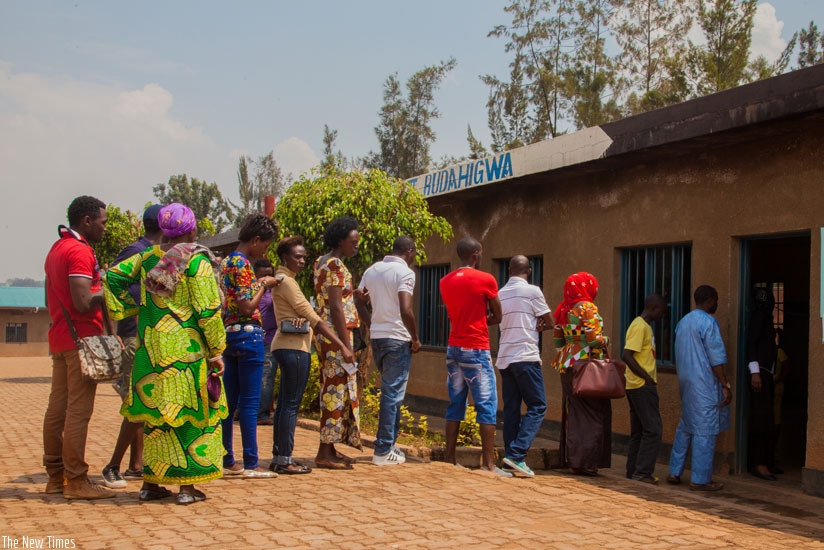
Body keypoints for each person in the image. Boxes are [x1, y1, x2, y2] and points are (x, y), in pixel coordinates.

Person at [104, 203, 229, 504]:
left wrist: (134, 308)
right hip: (187, 352)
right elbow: (208, 311)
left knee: (157, 417)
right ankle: (187, 488)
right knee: (191, 416)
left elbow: (112, 277)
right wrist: (216, 351)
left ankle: (150, 484)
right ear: (190, 229)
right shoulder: (195, 261)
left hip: (151, 348)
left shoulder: (146, 259)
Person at [43, 195, 115, 499]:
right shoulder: (79, 252)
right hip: (81, 341)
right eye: (103, 222)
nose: (105, 228)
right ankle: (76, 479)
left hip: (60, 337)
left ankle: (54, 475)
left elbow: (50, 299)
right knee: (78, 412)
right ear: (86, 221)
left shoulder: (56, 249)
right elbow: (83, 301)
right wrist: (104, 288)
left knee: (57, 409)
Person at [268, 236, 355, 474]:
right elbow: (315, 319)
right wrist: (343, 346)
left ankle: (280, 456)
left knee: (285, 404)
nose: (303, 261)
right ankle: (285, 459)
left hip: (287, 346)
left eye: (304, 256)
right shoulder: (287, 282)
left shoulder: (284, 280)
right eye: (298, 256)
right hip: (293, 348)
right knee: (290, 406)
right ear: (285, 257)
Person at [99, 204, 164, 489]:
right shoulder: (138, 252)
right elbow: (110, 281)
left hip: (155, 339)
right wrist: (129, 313)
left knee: (146, 405)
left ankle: (138, 465)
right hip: (134, 337)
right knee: (136, 404)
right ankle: (113, 465)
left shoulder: (165, 256)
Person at [439, 237, 507, 476]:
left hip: (453, 347)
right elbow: (498, 315)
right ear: (476, 255)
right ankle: (488, 464)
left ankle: (449, 457)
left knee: (456, 402)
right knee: (486, 404)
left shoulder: (444, 281)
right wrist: (483, 318)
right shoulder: (486, 279)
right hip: (476, 348)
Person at [220, 214, 280, 478]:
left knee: (228, 402)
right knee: (250, 403)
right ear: (255, 240)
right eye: (264, 246)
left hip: (229, 335)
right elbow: (247, 305)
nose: (263, 252)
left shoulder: (226, 261)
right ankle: (251, 463)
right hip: (250, 335)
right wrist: (263, 284)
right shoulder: (243, 264)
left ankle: (226, 458)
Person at [354, 235, 421, 466]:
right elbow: (406, 309)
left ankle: (389, 446)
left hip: (378, 338)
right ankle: (382, 449)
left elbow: (358, 298)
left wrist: (372, 323)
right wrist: (415, 337)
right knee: (392, 394)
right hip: (397, 339)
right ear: (409, 252)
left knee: (391, 393)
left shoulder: (372, 270)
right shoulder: (405, 273)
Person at [667, 285, 731, 492]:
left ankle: (674, 471)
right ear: (710, 300)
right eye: (716, 300)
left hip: (686, 383)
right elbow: (716, 357)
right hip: (704, 384)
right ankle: (701, 479)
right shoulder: (709, 323)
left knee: (686, 426)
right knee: (705, 430)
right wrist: (724, 383)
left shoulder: (683, 322)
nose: (717, 304)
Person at [496, 255, 553, 478]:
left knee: (511, 409)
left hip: (505, 357)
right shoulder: (533, 292)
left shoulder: (500, 293)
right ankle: (517, 455)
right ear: (528, 271)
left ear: (509, 271)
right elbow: (549, 321)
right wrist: (537, 325)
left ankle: (509, 460)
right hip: (526, 356)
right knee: (538, 405)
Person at [313, 216, 362, 469]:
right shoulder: (334, 266)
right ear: (340, 241)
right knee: (335, 390)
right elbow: (335, 307)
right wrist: (346, 345)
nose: (357, 245)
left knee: (335, 389)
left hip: (328, 334)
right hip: (336, 336)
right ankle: (324, 452)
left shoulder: (321, 262)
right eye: (353, 242)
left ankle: (330, 447)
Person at [551, 272, 611, 476]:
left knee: (574, 412)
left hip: (566, 363)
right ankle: (588, 461)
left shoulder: (563, 308)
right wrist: (606, 341)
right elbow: (594, 339)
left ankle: (573, 460)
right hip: (586, 364)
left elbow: (557, 341)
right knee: (593, 413)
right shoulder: (587, 307)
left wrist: (573, 342)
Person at [621, 293, 667, 484]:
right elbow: (627, 355)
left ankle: (633, 471)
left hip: (636, 386)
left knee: (639, 431)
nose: (662, 316)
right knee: (653, 430)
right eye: (662, 311)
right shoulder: (640, 326)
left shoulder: (644, 327)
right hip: (640, 386)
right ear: (654, 308)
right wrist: (647, 378)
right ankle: (642, 472)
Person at [747, 287, 779, 481]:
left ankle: (768, 460)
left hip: (767, 374)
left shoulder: (766, 317)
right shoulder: (759, 317)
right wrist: (755, 372)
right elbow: (751, 344)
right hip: (759, 375)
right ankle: (759, 463)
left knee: (768, 419)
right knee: (761, 419)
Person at [255, 258, 278, 426]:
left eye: (269, 275)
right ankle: (254, 412)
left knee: (266, 376)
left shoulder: (275, 292)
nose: (266, 279)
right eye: (263, 275)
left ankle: (262, 412)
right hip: (254, 337)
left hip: (270, 339)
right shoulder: (251, 290)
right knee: (259, 377)